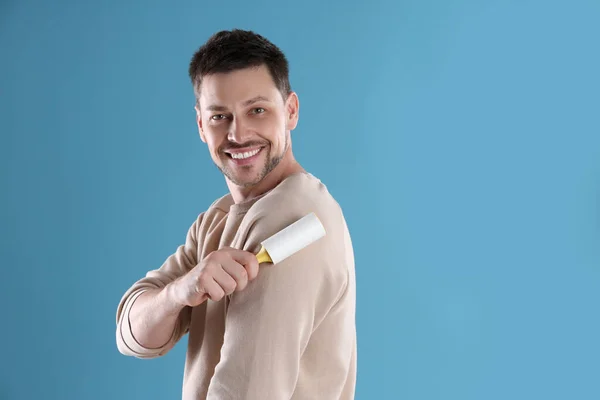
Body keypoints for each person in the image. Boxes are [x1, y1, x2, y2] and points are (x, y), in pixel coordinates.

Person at [115, 29, 357, 400]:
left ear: (290, 110)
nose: (238, 134)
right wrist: (181, 290)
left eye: (256, 110)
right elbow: (132, 333)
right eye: (219, 116)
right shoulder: (219, 217)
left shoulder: (291, 217)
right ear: (200, 125)